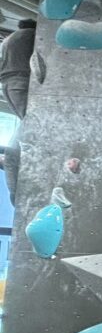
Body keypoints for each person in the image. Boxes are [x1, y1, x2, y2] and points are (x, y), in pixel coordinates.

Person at [0, 18, 35, 198]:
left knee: (27, 121)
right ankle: (25, 157)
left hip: (8, 84)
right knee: (32, 122)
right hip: (20, 80)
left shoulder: (9, 38)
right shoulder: (30, 35)